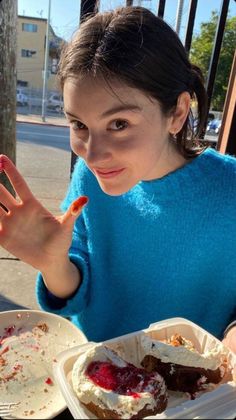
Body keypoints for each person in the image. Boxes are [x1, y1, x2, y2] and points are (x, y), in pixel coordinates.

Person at [0, 6, 235, 352]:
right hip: (93, 373)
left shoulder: (229, 188)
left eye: (119, 124)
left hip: (189, 392)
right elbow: (75, 293)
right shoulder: (88, 178)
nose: (92, 155)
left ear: (178, 113)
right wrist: (53, 264)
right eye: (79, 125)